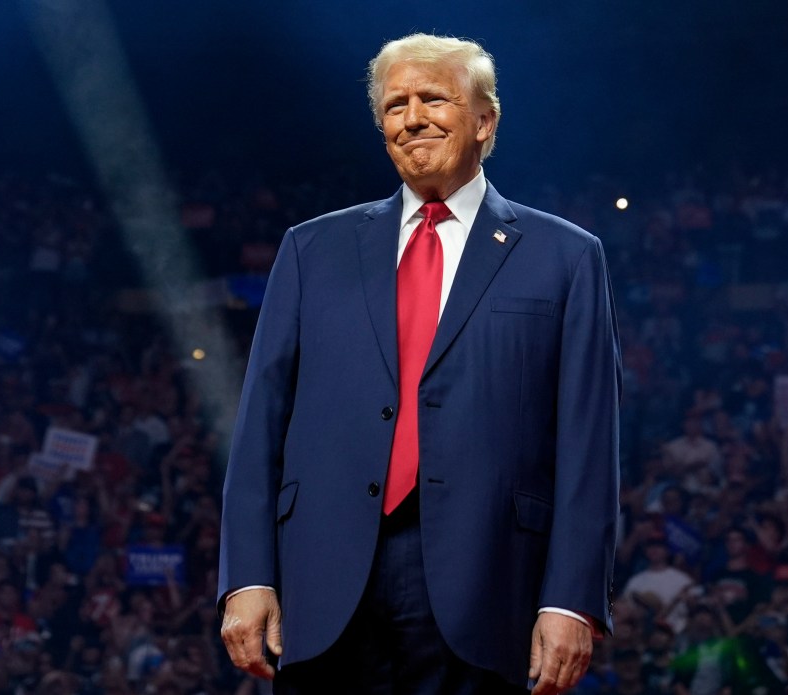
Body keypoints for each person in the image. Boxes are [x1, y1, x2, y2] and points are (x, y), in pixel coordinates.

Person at [218, 33, 621, 694]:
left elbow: (588, 442)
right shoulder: (310, 249)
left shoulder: (565, 256)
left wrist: (571, 598)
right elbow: (260, 424)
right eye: (395, 104)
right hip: (324, 578)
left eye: (433, 98)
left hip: (490, 579)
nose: (411, 117)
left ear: (485, 120)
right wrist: (248, 575)